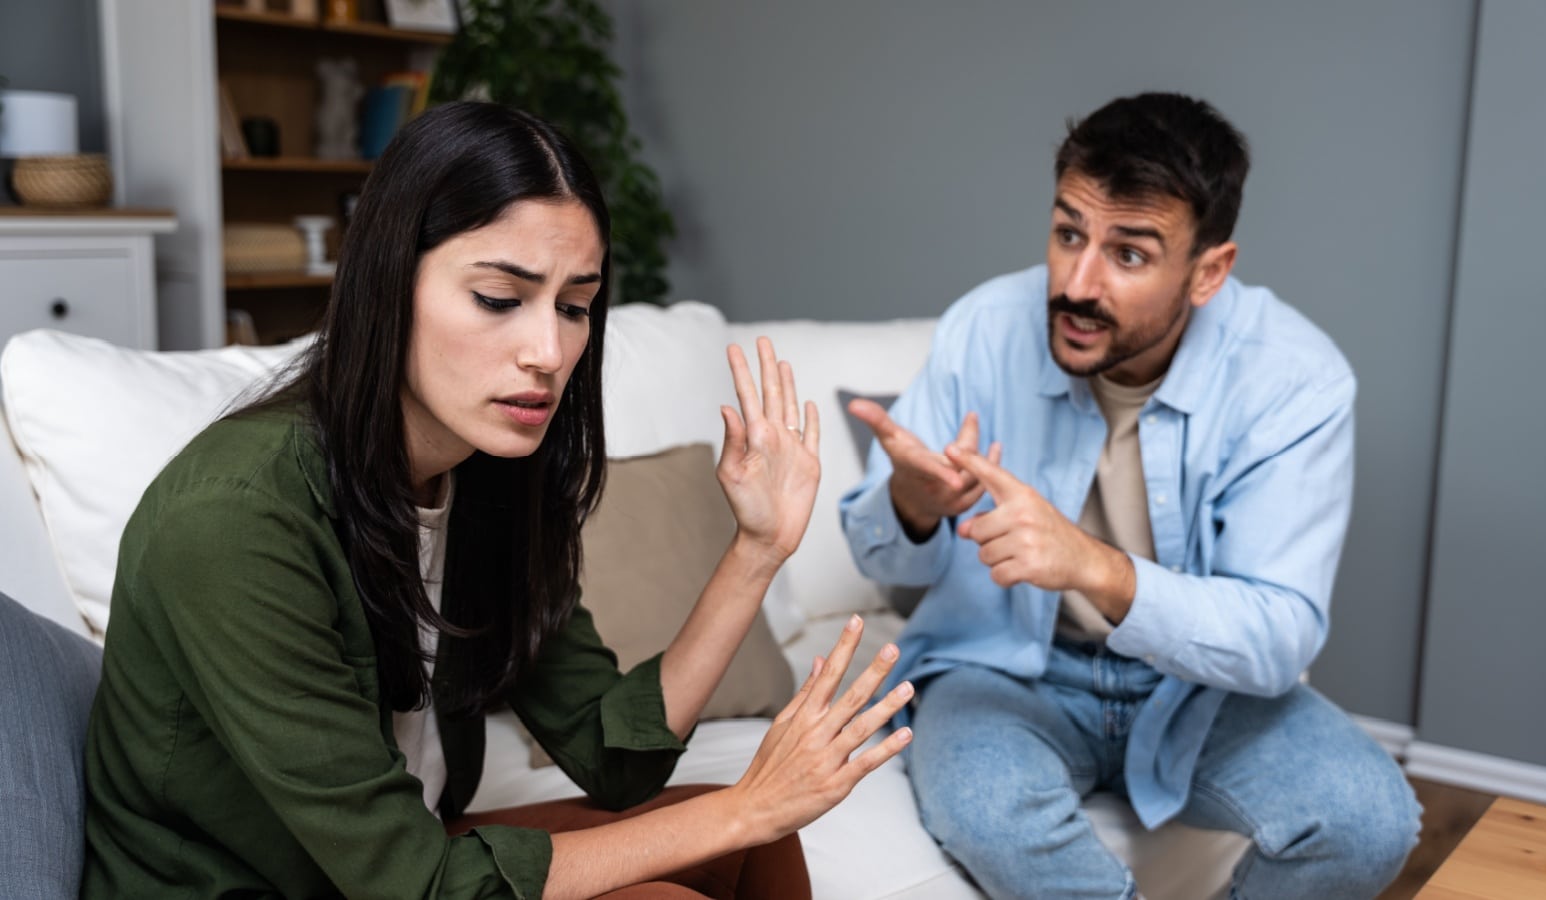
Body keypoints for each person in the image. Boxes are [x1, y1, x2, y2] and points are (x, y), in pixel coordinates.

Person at [82, 101, 914, 900]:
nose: (549, 351)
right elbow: (412, 885)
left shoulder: (489, 475)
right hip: (271, 886)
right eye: (498, 299)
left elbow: (610, 754)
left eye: (577, 307)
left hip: (402, 864)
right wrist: (744, 804)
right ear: (387, 281)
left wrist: (757, 551)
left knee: (759, 846)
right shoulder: (235, 518)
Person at [840, 92, 1420, 899]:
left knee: (1366, 821)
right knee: (986, 808)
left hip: (1199, 691)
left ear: (1209, 271)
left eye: (1131, 254)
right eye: (1069, 232)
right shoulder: (983, 329)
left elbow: (1280, 636)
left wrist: (1097, 569)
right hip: (1009, 669)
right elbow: (874, 549)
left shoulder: (1294, 381)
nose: (1077, 284)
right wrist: (912, 500)